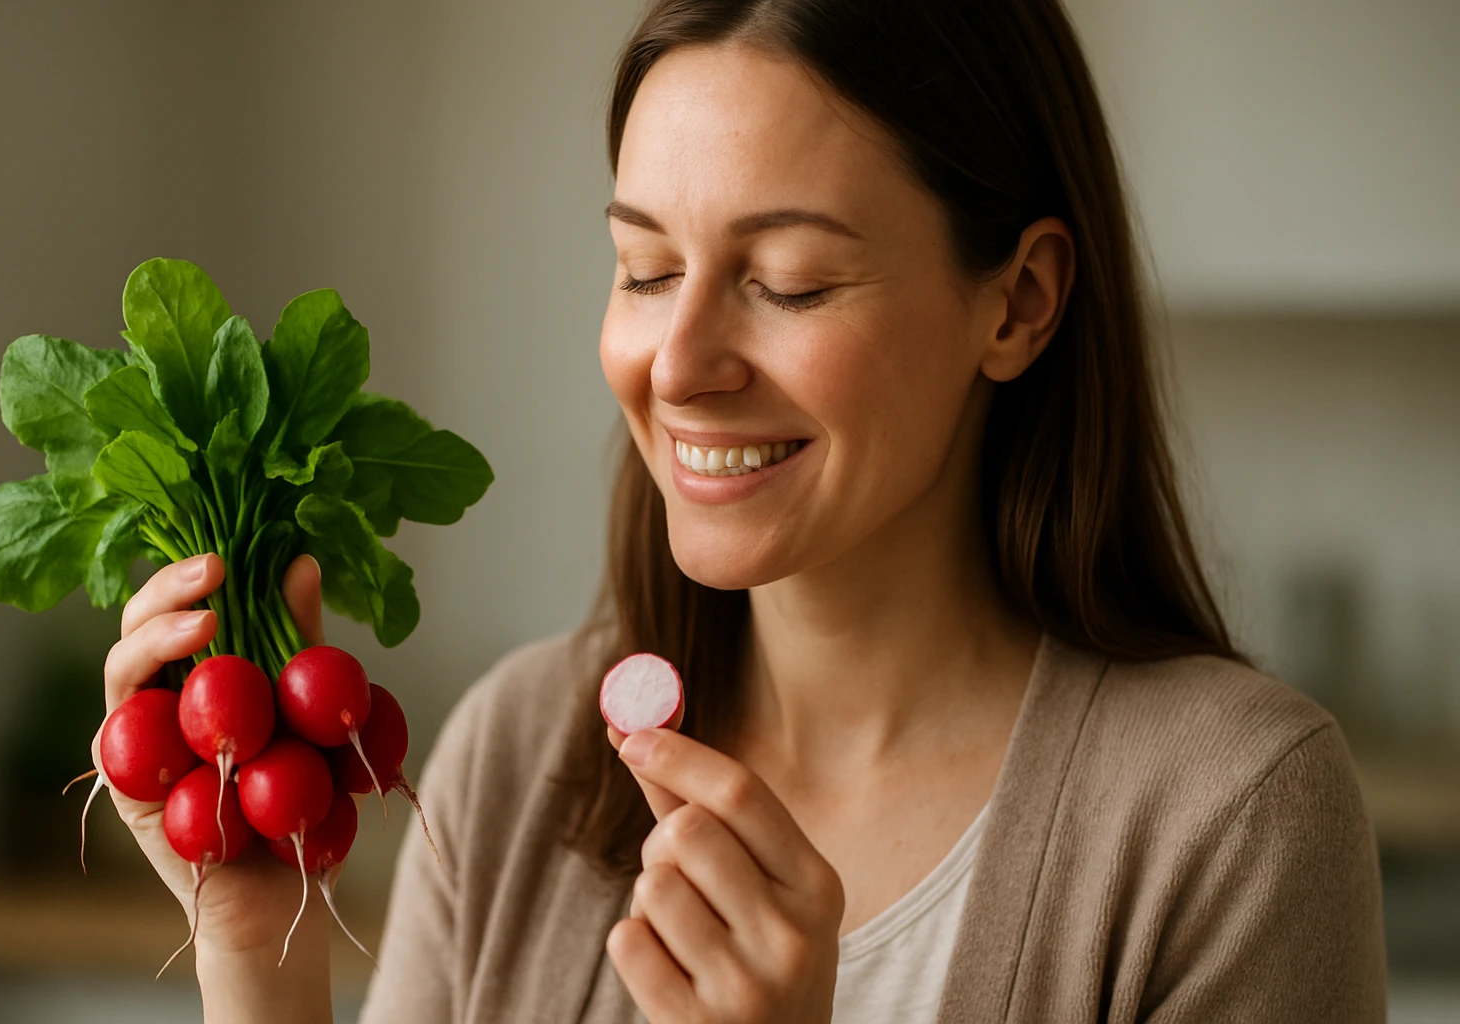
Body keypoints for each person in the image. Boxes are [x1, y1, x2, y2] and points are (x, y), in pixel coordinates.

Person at [96, 1, 1387, 1021]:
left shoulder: (1231, 816)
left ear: (1020, 302)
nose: (679, 363)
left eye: (791, 281)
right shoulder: (517, 756)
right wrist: (256, 963)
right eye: (646, 269)